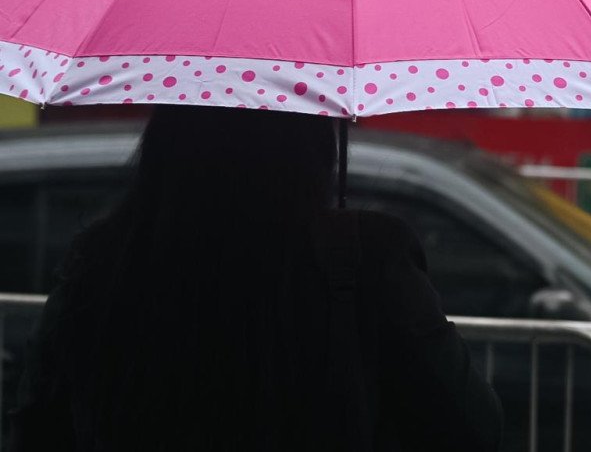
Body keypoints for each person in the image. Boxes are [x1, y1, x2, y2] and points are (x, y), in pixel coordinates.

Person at [10, 105, 503, 451]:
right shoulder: (364, 257)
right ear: (312, 147)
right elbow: (471, 428)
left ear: (166, 140)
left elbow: (39, 426)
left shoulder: (103, 260)